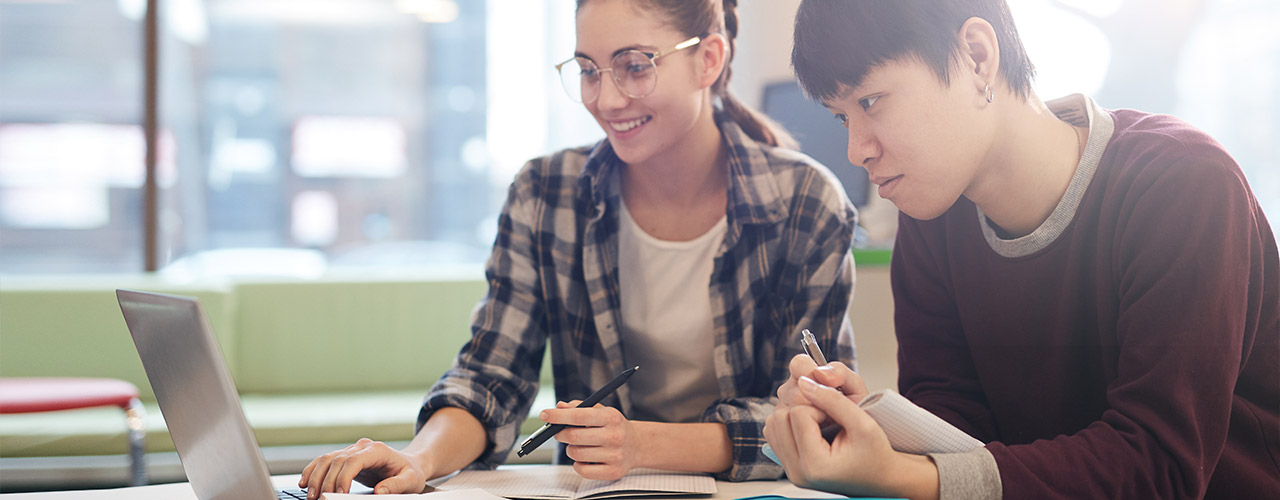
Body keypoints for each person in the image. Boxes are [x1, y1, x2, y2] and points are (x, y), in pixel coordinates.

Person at [298, 0, 858, 497]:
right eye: (588, 71)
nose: (606, 98)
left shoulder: (805, 202)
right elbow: (491, 376)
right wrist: (417, 459)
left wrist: (643, 446)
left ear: (708, 59)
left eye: (635, 66)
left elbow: (814, 416)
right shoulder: (545, 193)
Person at [764, 1, 1279, 500]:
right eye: (841, 117)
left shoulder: (1182, 184)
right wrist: (875, 425)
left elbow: (1159, 469)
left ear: (977, 56)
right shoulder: (933, 215)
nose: (857, 150)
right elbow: (959, 434)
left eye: (870, 101)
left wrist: (905, 476)